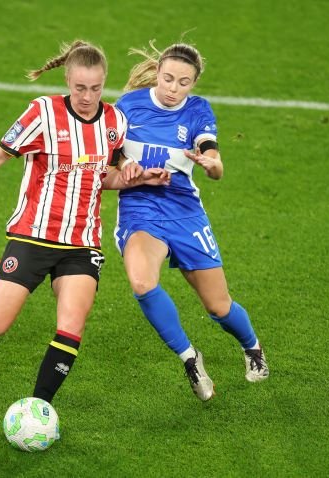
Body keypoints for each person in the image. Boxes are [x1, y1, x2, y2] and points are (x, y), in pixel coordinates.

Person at [0, 40, 168, 404]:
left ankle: (39, 407)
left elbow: (104, 175)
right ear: (67, 79)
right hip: (33, 236)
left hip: (81, 244)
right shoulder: (43, 113)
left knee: (71, 325)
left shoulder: (114, 122)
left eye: (96, 88)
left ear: (104, 83)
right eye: (80, 87)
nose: (87, 96)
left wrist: (137, 177)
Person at [113, 41, 269, 401]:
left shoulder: (197, 111)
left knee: (218, 306)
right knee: (141, 282)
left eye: (183, 83)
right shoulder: (129, 106)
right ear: (158, 72)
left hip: (184, 211)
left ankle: (252, 348)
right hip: (141, 209)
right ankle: (189, 357)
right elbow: (112, 157)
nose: (173, 88)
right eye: (168, 78)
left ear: (193, 84)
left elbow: (214, 162)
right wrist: (125, 167)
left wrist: (211, 163)